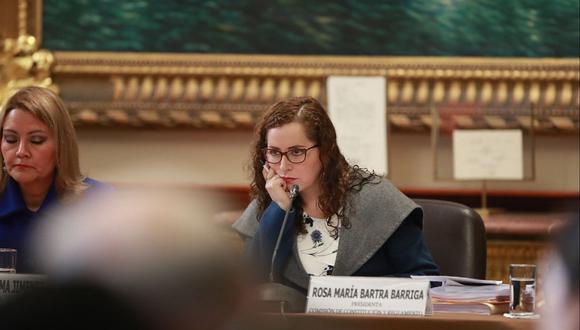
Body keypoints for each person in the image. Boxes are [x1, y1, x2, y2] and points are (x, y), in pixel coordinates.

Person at [233, 96, 438, 293]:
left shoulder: (378, 199)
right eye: (274, 153)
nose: (284, 167)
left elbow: (427, 281)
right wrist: (280, 209)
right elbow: (249, 286)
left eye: (297, 152)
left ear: (325, 150)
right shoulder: (271, 200)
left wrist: (352, 293)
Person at [0, 86, 107, 273]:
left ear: (61, 146)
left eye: (36, 141)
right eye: (10, 139)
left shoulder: (98, 204)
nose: (21, 152)